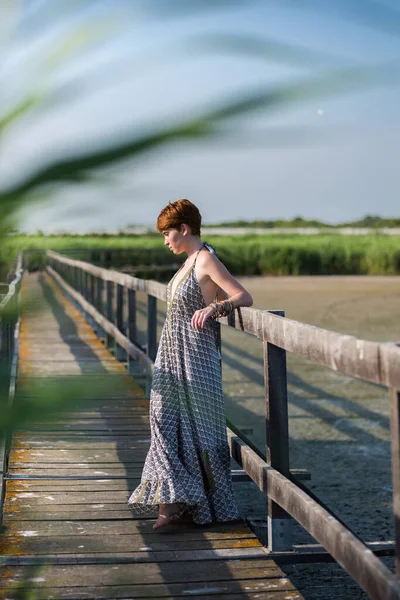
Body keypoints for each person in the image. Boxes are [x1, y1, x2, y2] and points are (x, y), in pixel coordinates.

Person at [128, 199, 253, 531]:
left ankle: (182, 508)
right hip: (172, 354)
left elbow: (243, 295)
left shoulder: (205, 259)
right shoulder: (186, 263)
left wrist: (216, 308)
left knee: (199, 430)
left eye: (167, 233)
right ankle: (177, 501)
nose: (164, 240)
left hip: (197, 358)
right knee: (162, 418)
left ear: (184, 229)